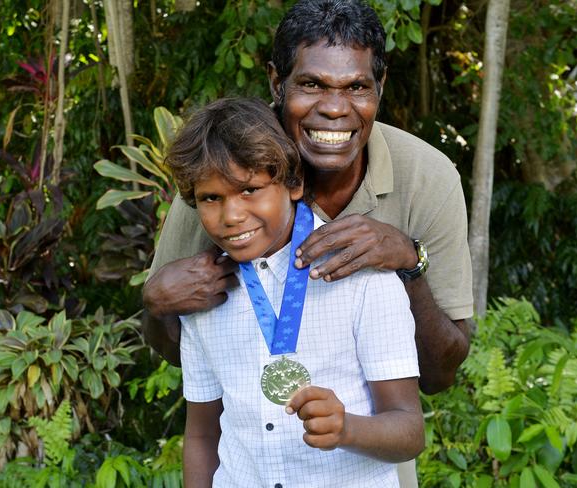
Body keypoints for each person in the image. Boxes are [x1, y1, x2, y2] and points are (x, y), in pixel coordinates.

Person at [143, 1, 473, 485]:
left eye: (357, 87)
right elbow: (192, 353)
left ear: (379, 87)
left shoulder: (428, 176)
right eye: (312, 84)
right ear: (278, 83)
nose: (335, 108)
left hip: (365, 460)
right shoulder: (223, 173)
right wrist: (154, 303)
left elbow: (439, 377)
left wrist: (408, 261)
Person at [170, 97, 424, 488]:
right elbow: (203, 435)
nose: (231, 216)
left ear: (294, 183)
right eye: (211, 198)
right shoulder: (202, 294)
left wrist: (347, 429)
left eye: (250, 190)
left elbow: (409, 431)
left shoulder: (363, 279)